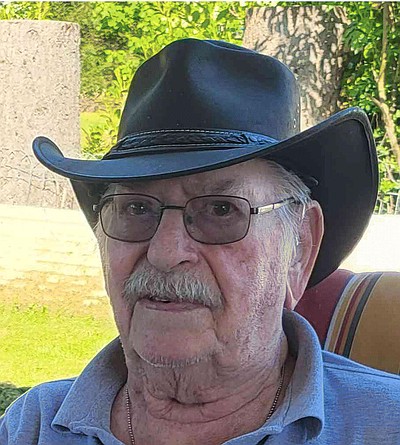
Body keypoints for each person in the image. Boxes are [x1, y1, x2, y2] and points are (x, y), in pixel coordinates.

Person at [1, 39, 399, 445]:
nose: (165, 253)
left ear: (298, 247)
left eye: (221, 210)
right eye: (136, 208)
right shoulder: (33, 426)